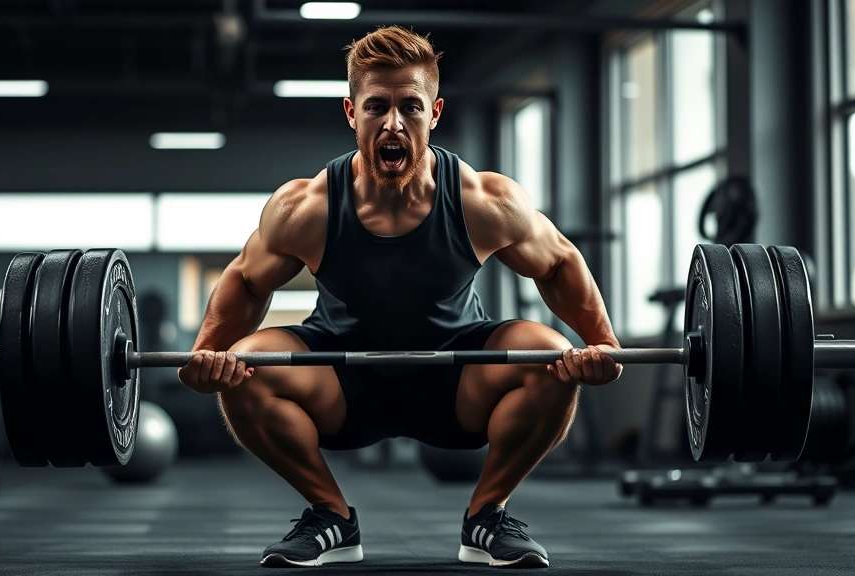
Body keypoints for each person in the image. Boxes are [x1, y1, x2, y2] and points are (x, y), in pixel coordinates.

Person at [177, 25, 623, 569]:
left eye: (410, 107)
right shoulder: (307, 207)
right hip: (342, 381)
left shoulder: (484, 200)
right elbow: (247, 280)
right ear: (351, 113)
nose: (393, 123)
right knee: (245, 370)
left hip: (459, 377)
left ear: (434, 113)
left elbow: (558, 263)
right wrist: (207, 351)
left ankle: (487, 515)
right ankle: (331, 516)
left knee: (552, 358)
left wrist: (603, 344)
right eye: (376, 107)